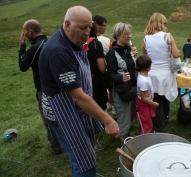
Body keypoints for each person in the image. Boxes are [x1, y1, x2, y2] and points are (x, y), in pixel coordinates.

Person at [38, 6, 119, 177]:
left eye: (89, 27)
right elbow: (77, 96)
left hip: (76, 108)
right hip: (62, 112)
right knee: (83, 160)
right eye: (82, 27)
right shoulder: (58, 51)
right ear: (67, 24)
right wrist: (109, 121)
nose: (87, 32)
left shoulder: (72, 40)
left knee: (86, 153)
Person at [18, 19, 62, 155]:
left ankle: (55, 148)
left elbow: (23, 66)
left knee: (48, 119)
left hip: (44, 89)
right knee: (61, 116)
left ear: (30, 31)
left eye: (25, 32)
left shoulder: (35, 47)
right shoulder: (50, 42)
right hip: (59, 87)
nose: (24, 35)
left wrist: (22, 47)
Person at [142, 12, 180, 132]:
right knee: (165, 98)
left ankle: (160, 124)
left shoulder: (145, 39)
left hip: (153, 73)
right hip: (165, 73)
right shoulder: (167, 36)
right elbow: (176, 54)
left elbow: (145, 57)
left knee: (157, 100)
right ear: (161, 23)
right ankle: (161, 126)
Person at [105, 22, 137, 143]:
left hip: (131, 88)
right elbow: (110, 74)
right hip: (121, 91)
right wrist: (120, 78)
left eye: (130, 33)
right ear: (118, 35)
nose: (129, 36)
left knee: (128, 115)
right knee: (123, 115)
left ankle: (126, 132)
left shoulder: (128, 50)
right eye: (126, 34)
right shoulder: (112, 53)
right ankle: (124, 141)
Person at [84, 22, 107, 151]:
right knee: (96, 108)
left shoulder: (76, 43)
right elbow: (102, 68)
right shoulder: (95, 44)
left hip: (79, 82)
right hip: (94, 81)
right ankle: (94, 143)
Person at [93, 15, 116, 117]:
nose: (105, 27)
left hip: (92, 73)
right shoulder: (106, 41)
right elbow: (111, 54)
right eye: (104, 25)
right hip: (105, 70)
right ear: (97, 25)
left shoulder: (85, 40)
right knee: (109, 91)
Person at [135, 54, 159, 134]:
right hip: (143, 104)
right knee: (148, 125)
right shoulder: (143, 81)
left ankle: (141, 134)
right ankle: (144, 142)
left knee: (144, 122)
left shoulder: (142, 75)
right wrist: (154, 104)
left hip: (145, 103)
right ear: (148, 67)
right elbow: (143, 98)